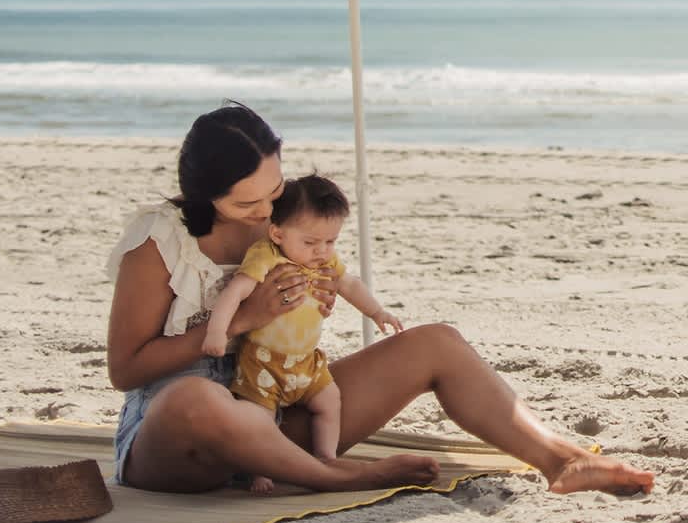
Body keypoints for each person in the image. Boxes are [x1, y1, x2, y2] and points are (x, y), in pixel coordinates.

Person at [106, 100, 655, 495]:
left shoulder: (283, 223)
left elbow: (306, 309)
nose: (268, 211)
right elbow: (125, 369)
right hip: (177, 440)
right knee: (197, 400)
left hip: (277, 415)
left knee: (436, 343)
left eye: (274, 192)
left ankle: (563, 461)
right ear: (206, 195)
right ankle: (341, 478)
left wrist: (307, 305)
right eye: (249, 203)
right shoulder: (160, 242)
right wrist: (246, 317)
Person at [201, 174, 403, 492]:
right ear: (278, 233)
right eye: (310, 242)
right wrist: (217, 332)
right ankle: (260, 472)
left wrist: (377, 312)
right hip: (263, 363)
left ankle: (325, 456)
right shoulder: (266, 256)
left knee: (329, 400)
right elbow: (236, 292)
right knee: (260, 419)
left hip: (307, 362)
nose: (321, 251)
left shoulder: (324, 262)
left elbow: (348, 284)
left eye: (331, 241)